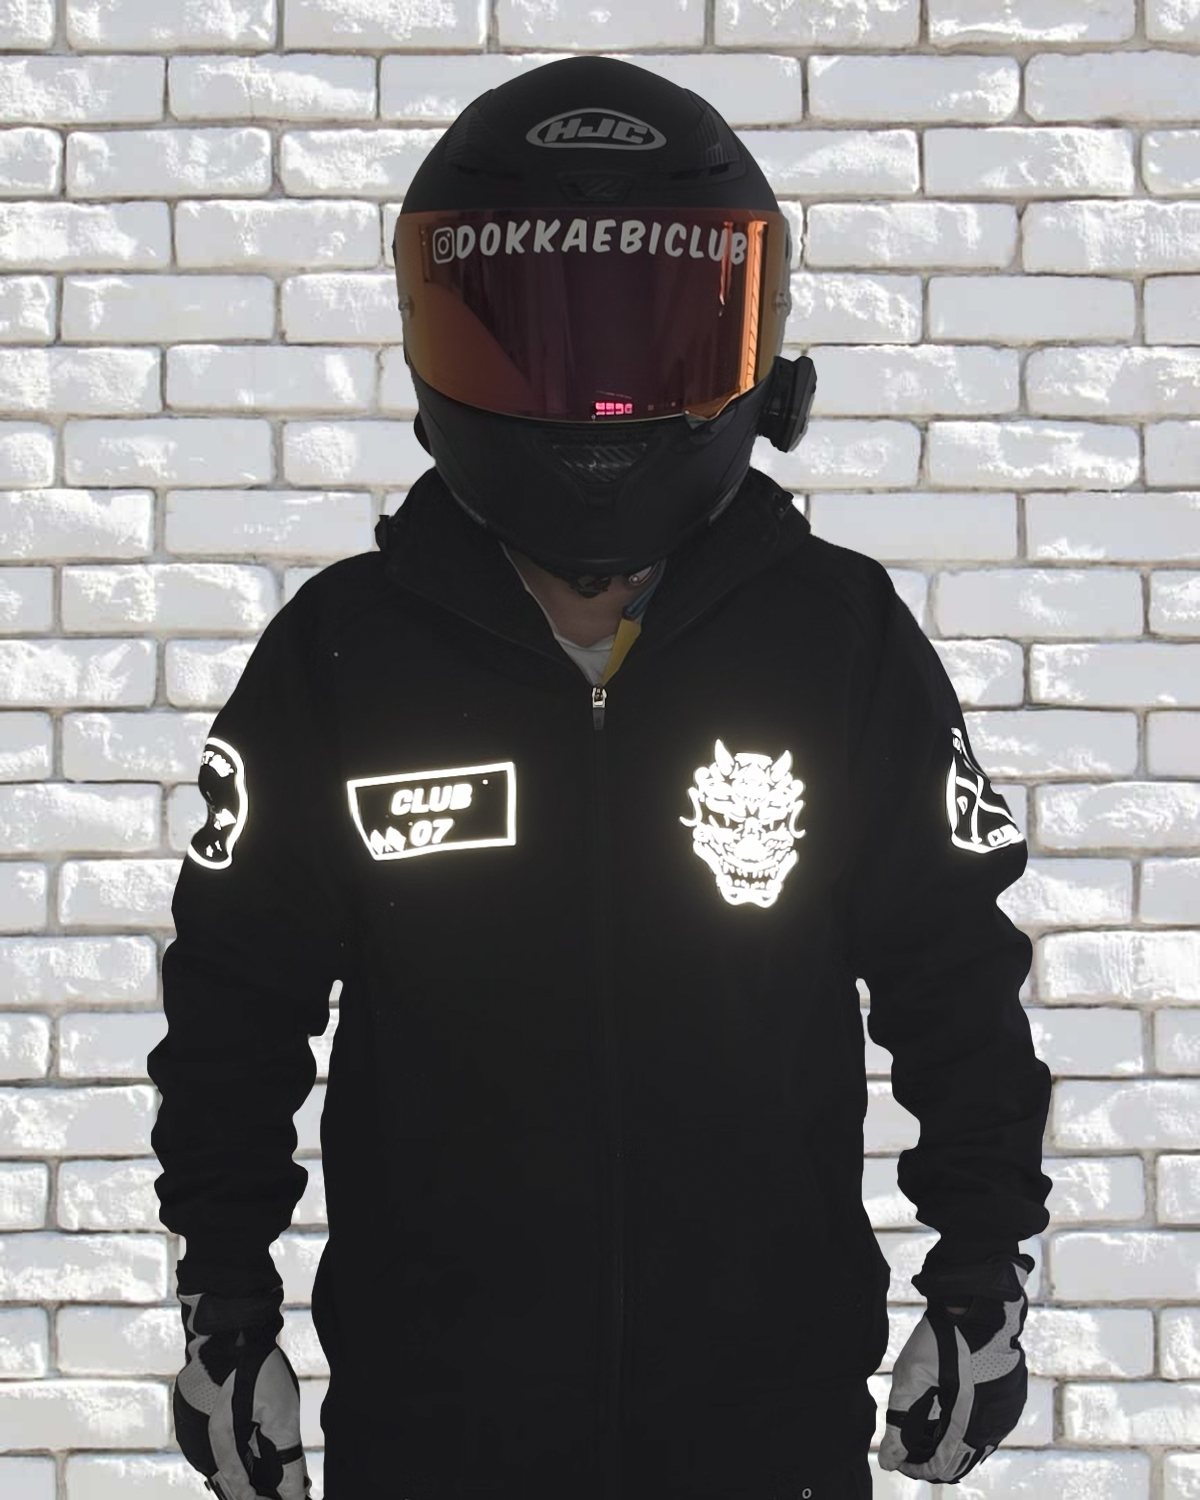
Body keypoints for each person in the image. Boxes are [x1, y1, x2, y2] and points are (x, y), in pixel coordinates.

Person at [146, 55, 1053, 1500]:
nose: (597, 398)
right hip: (435, 1426)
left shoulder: (837, 639)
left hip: (765, 1422)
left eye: (649, 338)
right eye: (542, 340)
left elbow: (955, 977)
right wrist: (224, 1302)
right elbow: (234, 1008)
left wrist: (983, 1270)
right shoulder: (342, 656)